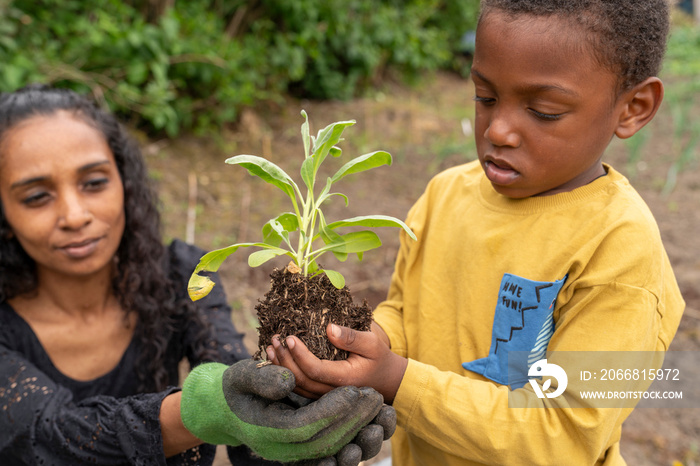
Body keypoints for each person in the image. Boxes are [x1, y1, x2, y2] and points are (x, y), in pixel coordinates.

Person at [265, 0, 687, 465]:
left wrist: (397, 380)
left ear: (633, 107)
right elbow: (407, 313)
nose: (499, 129)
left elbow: (564, 437)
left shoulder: (621, 251)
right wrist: (360, 348)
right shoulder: (445, 194)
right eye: (485, 97)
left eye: (544, 110)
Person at [0, 85, 394, 466]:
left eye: (94, 183)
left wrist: (293, 414)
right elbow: (49, 438)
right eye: (36, 196)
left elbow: (235, 371)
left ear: (125, 183)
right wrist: (207, 409)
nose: (75, 215)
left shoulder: (180, 275)